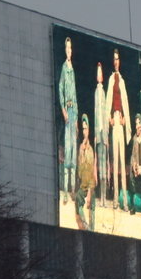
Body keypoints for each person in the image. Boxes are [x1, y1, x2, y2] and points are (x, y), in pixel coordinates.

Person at [106, 48, 131, 212]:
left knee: (122, 161)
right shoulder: (110, 80)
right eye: (114, 59)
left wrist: (124, 120)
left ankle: (125, 202)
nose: (116, 61)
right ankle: (115, 200)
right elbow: (109, 99)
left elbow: (126, 103)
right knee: (115, 161)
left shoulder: (121, 80)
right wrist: (109, 117)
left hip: (120, 121)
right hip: (113, 120)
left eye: (118, 59)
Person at [57, 36, 77, 201]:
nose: (69, 51)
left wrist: (76, 118)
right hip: (67, 112)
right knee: (67, 149)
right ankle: (64, 191)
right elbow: (60, 88)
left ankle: (71, 190)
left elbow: (75, 95)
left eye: (71, 48)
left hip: (74, 113)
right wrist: (63, 109)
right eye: (67, 48)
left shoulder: (73, 68)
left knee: (73, 153)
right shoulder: (64, 67)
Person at [74, 114, 96, 230]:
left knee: (92, 205)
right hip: (83, 187)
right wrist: (81, 154)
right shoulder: (81, 149)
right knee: (78, 199)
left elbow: (91, 174)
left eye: (86, 129)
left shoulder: (90, 150)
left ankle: (92, 230)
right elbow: (80, 172)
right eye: (83, 129)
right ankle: (86, 227)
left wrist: (89, 194)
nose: (84, 131)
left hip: (90, 188)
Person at [92, 62, 109, 206]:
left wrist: (106, 134)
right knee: (99, 168)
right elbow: (96, 113)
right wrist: (96, 133)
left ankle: (104, 197)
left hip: (105, 136)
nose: (99, 76)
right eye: (98, 73)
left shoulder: (104, 92)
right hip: (99, 134)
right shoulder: (96, 93)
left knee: (105, 170)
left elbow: (104, 113)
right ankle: (99, 196)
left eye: (101, 73)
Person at [128, 113, 141, 215]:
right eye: (136, 124)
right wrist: (134, 166)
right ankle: (133, 207)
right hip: (135, 167)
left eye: (139, 123)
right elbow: (133, 155)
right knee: (133, 184)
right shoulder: (134, 139)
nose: (137, 126)